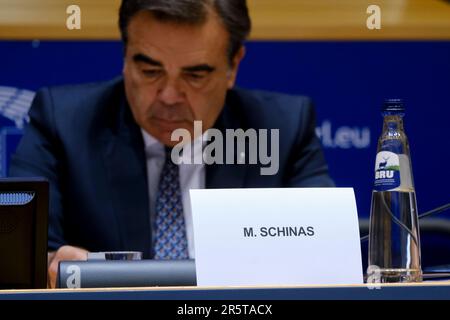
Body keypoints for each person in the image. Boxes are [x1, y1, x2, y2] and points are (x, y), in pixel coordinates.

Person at [9, 0, 334, 288]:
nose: (168, 97)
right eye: (150, 71)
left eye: (194, 75)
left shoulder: (282, 128)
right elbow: (18, 257)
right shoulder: (64, 123)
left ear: (233, 65)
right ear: (125, 58)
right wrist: (49, 265)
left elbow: (327, 256)